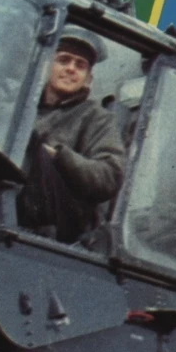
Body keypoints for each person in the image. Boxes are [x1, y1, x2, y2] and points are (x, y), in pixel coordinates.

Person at [18, 31, 126, 244]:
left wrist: (58, 156)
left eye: (80, 65)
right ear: (47, 65)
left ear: (88, 79)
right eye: (63, 60)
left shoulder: (97, 118)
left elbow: (110, 176)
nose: (71, 68)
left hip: (54, 227)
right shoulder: (21, 103)